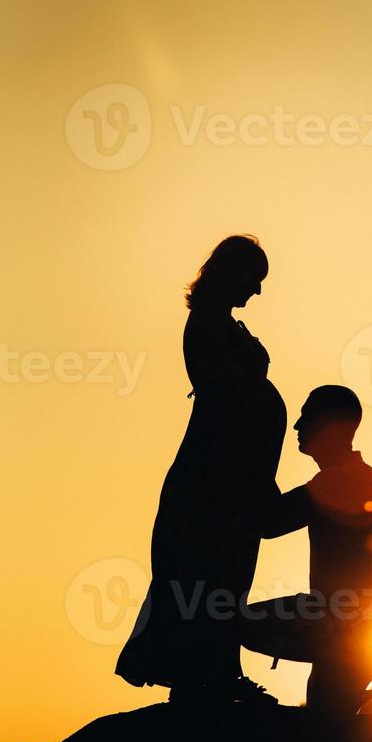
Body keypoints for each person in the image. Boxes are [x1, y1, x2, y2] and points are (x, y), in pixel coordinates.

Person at [115, 235, 287, 705]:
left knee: (226, 579)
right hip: (212, 483)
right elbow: (228, 399)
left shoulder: (221, 324)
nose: (256, 292)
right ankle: (208, 679)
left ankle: (219, 674)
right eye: (254, 279)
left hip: (233, 481)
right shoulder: (207, 325)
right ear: (231, 272)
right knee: (207, 577)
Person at [242, 385, 372, 716]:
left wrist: (254, 455)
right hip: (356, 627)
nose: (297, 426)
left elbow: (269, 522)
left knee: (233, 622)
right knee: (324, 720)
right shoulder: (346, 477)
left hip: (348, 627)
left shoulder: (343, 480)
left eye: (305, 416)